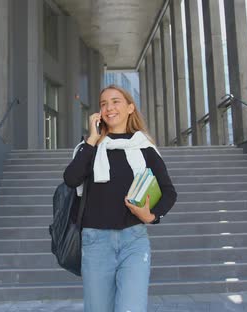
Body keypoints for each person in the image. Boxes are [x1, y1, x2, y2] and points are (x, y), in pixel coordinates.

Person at [63, 85, 178, 312]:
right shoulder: (89, 148)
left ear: (130, 108)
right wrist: (93, 139)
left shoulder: (144, 148)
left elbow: (168, 191)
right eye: (103, 103)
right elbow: (71, 179)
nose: (109, 108)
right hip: (96, 243)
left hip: (134, 242)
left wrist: (151, 216)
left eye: (115, 101)